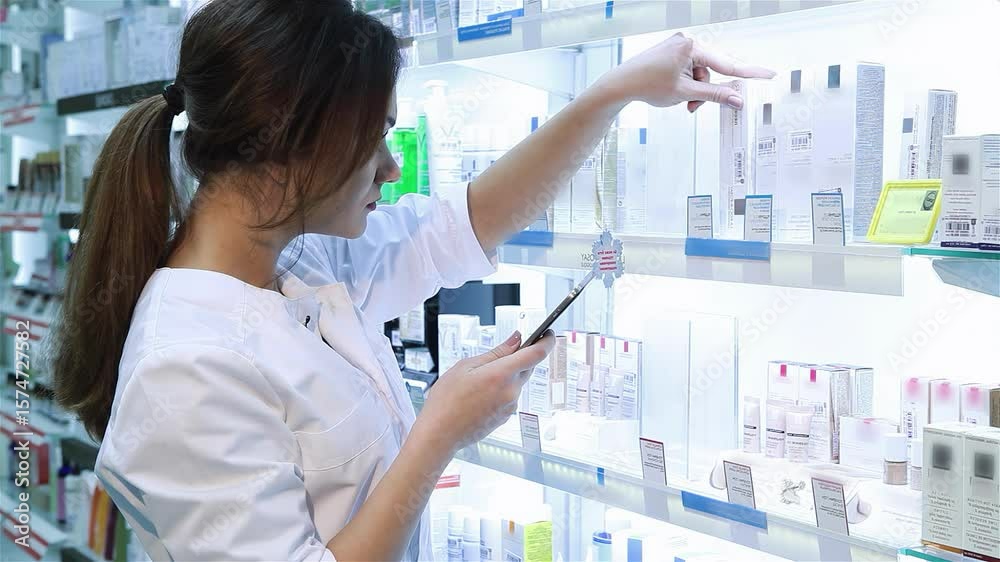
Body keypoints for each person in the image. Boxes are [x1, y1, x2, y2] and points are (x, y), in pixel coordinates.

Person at [51, 1, 772, 560]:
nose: (392, 169)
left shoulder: (298, 263)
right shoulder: (184, 368)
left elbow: (463, 223)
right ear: (293, 146)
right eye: (374, 140)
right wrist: (438, 433)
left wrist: (612, 92)